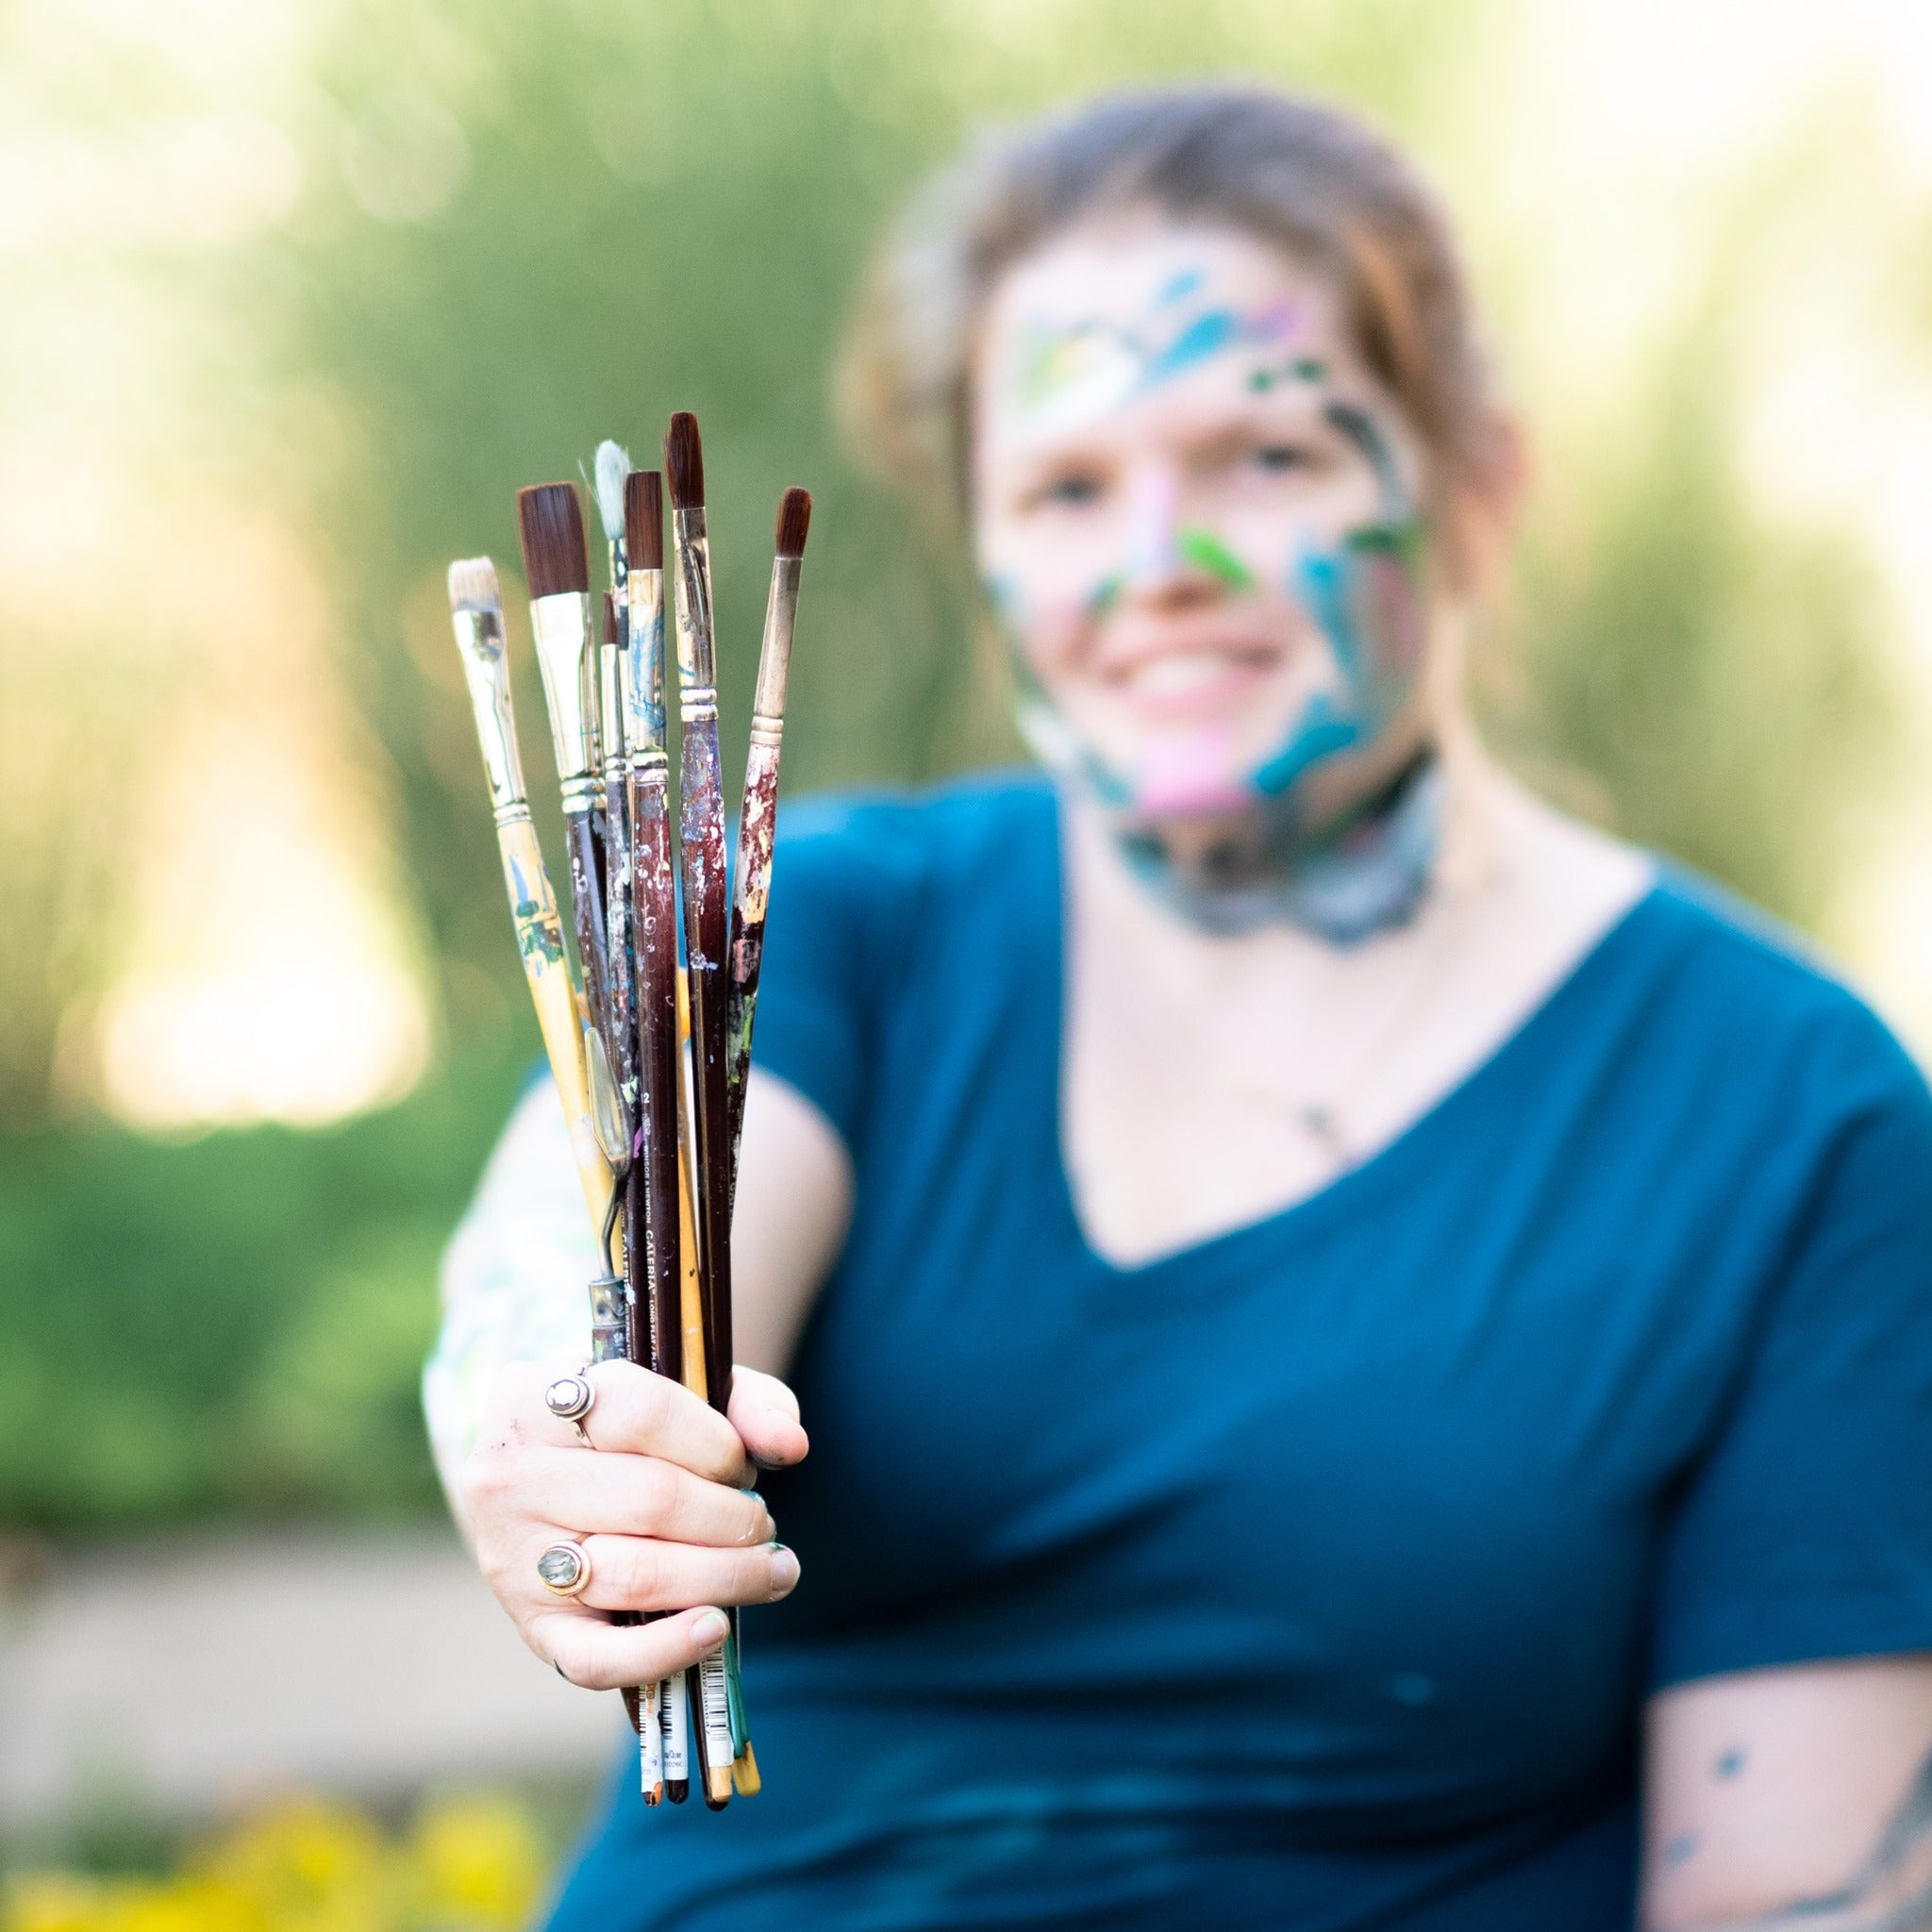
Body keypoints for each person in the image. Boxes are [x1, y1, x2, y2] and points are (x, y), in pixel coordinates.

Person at [425, 86, 1932, 1929]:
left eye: (1262, 460)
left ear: (1474, 489)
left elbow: (1802, 1887)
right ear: (982, 547)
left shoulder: (1790, 1113)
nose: (1154, 563)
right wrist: (551, 1441)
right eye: (1066, 488)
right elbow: (560, 1286)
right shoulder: (816, 923)